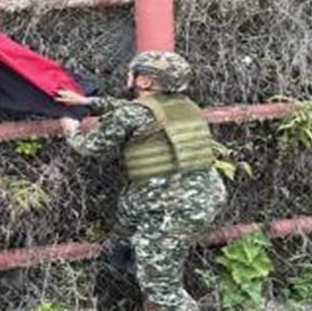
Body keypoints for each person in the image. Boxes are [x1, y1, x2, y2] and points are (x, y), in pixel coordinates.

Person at [56, 51, 227, 311]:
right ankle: (128, 251)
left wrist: (71, 129)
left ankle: (146, 264)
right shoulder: (184, 105)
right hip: (196, 194)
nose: (128, 75)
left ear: (145, 82)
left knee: (161, 290)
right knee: (127, 222)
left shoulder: (134, 115)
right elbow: (132, 110)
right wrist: (86, 100)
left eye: (133, 72)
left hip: (171, 206)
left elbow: (90, 147)